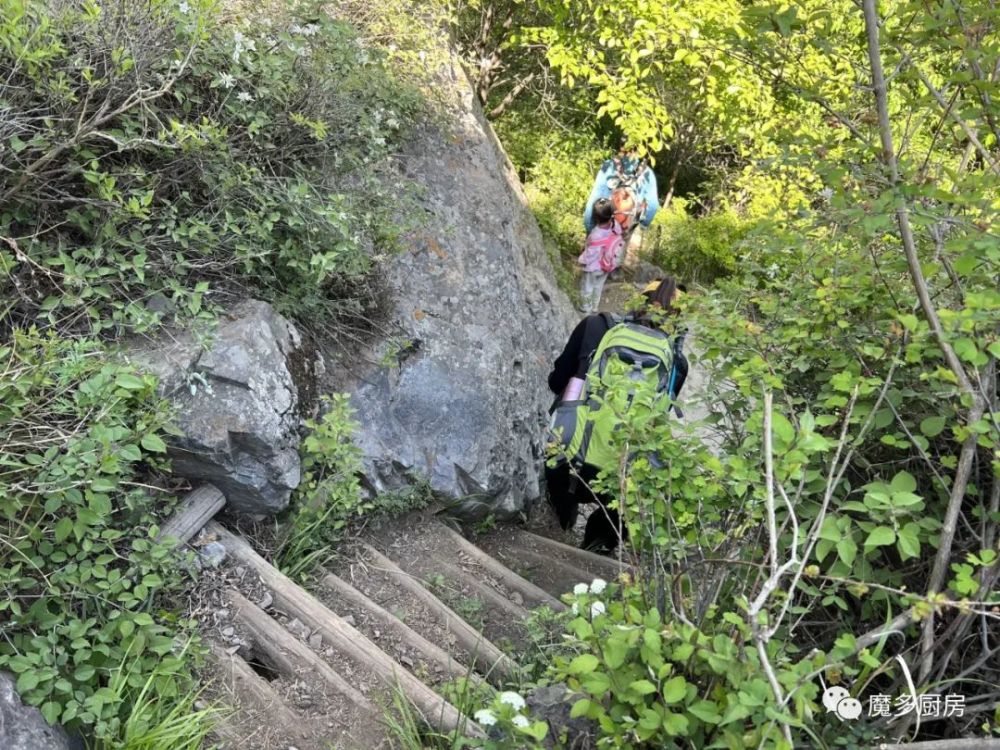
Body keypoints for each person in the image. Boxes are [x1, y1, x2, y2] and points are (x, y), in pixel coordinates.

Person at [545, 278, 688, 553]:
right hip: (623, 473)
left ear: (638, 302)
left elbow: (556, 382)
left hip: (571, 453)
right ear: (678, 322)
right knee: (624, 506)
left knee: (558, 476)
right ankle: (596, 548)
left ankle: (559, 528)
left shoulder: (596, 326)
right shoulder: (676, 362)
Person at [583, 150, 660, 236]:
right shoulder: (647, 173)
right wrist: (643, 224)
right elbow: (653, 205)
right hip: (625, 225)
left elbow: (594, 198)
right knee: (618, 246)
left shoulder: (609, 165)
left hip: (603, 221)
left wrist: (589, 227)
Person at [577, 198, 624, 313]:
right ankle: (594, 307)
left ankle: (585, 308)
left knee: (587, 288)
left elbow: (590, 255)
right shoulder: (616, 225)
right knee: (598, 286)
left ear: (595, 217)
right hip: (608, 264)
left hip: (594, 268)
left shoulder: (595, 234)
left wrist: (581, 260)